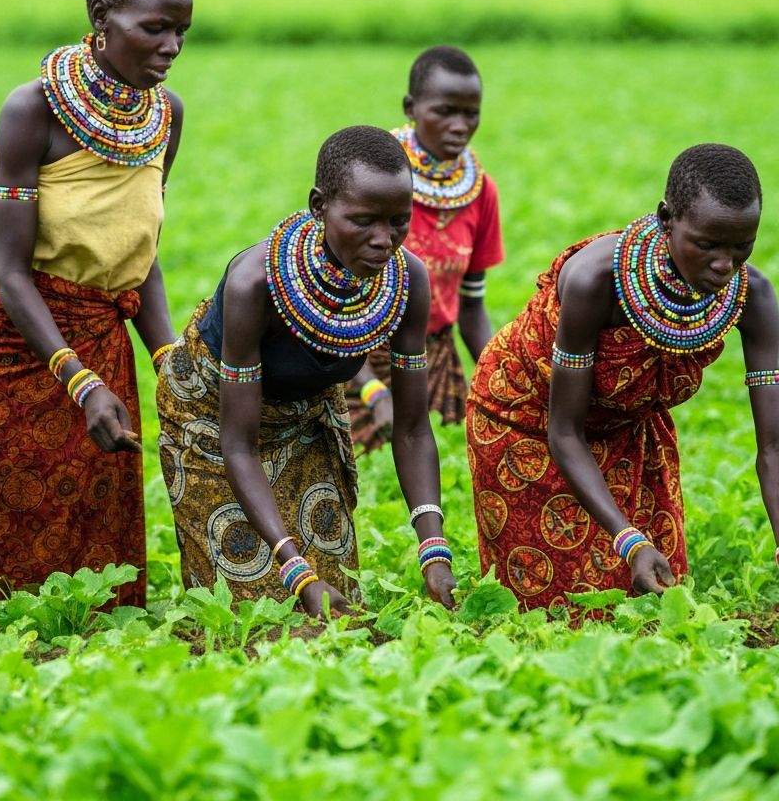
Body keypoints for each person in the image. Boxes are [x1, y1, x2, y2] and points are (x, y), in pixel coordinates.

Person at [0, 0, 192, 604]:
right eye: (155, 28)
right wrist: (79, 382)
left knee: (97, 563)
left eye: (181, 32)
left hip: (101, 340)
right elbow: (9, 269)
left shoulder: (165, 117)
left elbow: (139, 254)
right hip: (10, 344)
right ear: (102, 17)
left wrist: (169, 360)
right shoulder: (33, 111)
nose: (171, 46)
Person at [157, 125, 457, 617]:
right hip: (211, 421)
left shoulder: (408, 282)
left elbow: (411, 429)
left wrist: (434, 551)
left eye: (399, 222)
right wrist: (296, 570)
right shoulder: (255, 283)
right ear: (319, 206)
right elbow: (238, 444)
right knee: (254, 615)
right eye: (363, 221)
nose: (384, 241)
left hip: (305, 414)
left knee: (339, 609)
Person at [466, 143, 779, 610]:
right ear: (666, 218)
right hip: (524, 421)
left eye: (741, 247)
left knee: (652, 605)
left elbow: (774, 447)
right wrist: (630, 541)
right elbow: (564, 430)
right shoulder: (596, 280)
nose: (725, 265)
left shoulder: (752, 296)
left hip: (626, 429)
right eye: (707, 245)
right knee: (557, 610)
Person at [346, 46, 503, 455]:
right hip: (356, 357)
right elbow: (332, 304)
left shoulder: (480, 192)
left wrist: (503, 382)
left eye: (471, 114)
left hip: (434, 364)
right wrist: (374, 393)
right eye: (445, 111)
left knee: (442, 465)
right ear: (411, 107)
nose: (460, 126)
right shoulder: (376, 182)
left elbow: (471, 306)